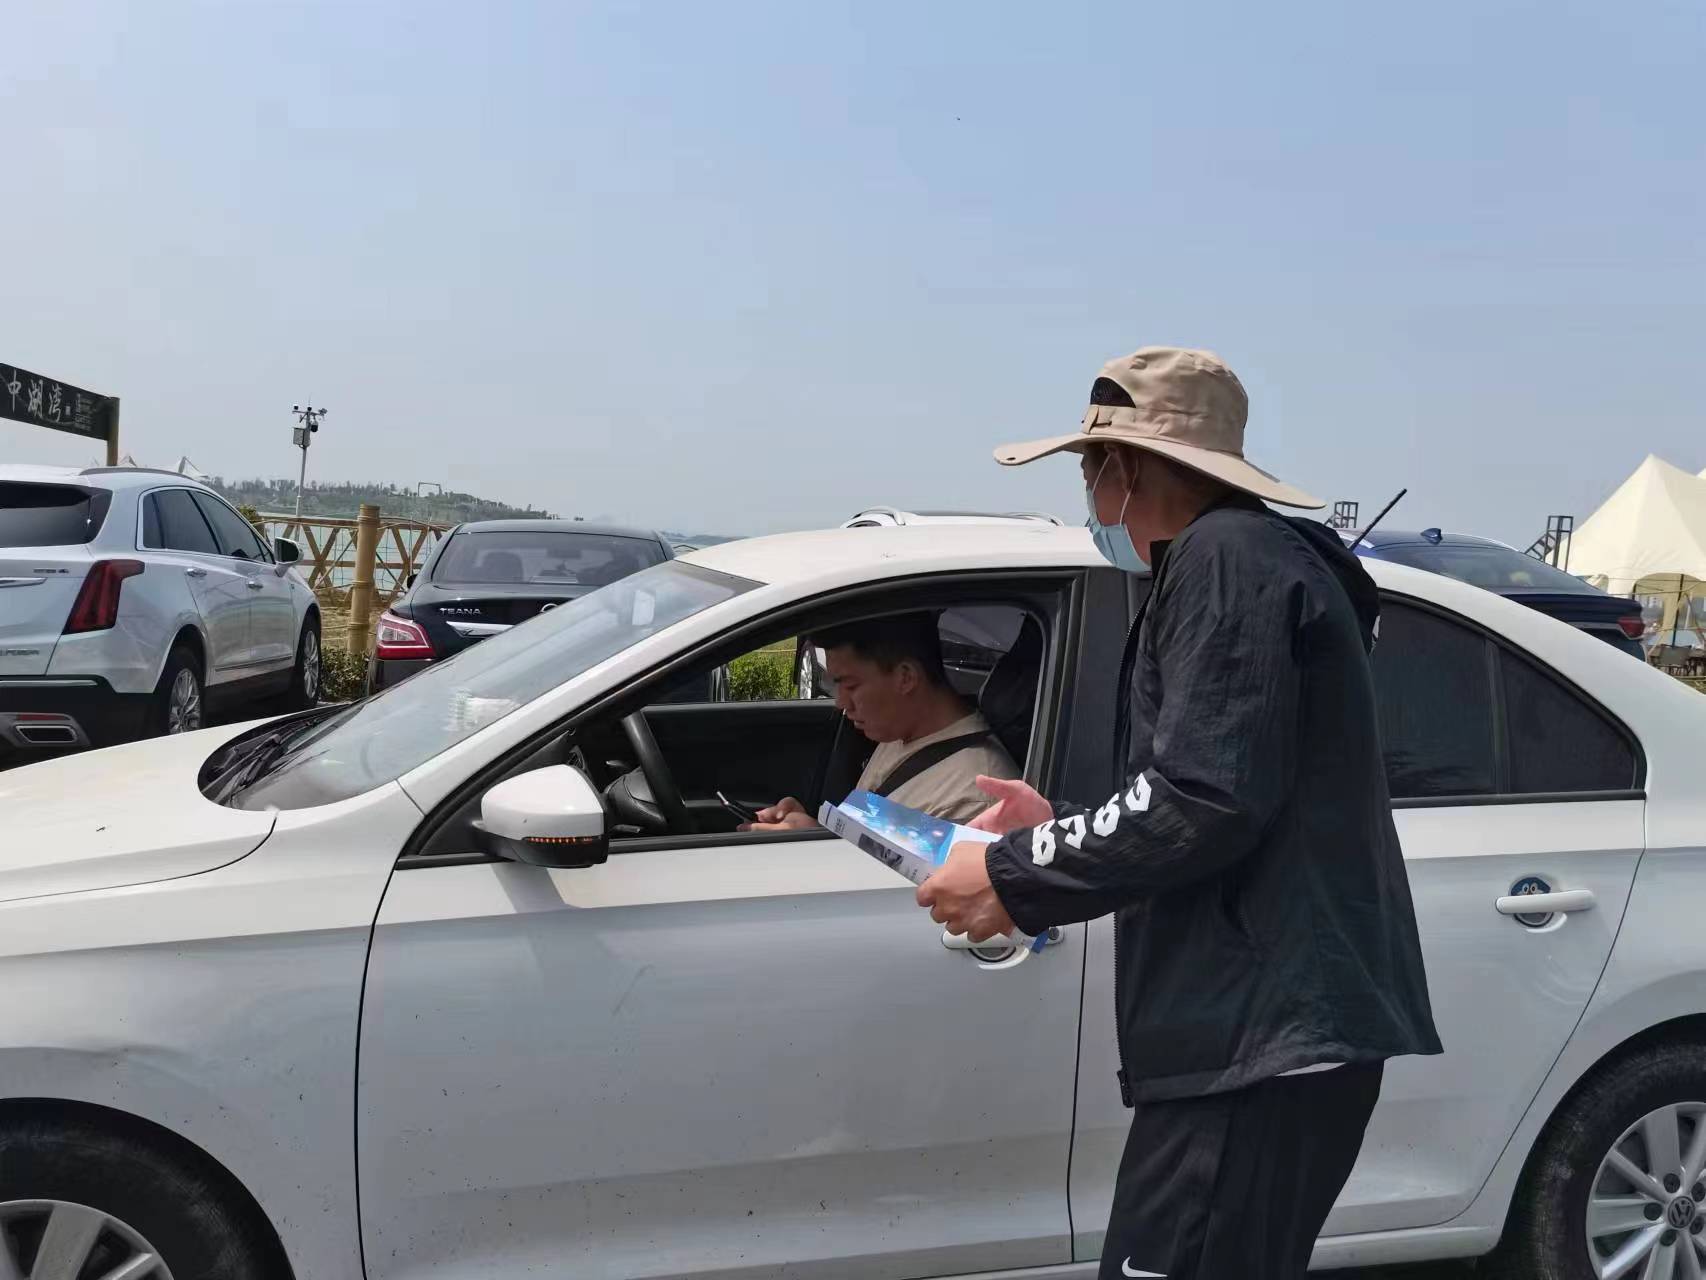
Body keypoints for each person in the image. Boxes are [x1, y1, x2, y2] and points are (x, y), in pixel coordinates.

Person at [917, 346, 1442, 1279]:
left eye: (1089, 466)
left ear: (1127, 466)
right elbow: (1219, 782)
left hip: (1258, 1039)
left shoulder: (1224, 561)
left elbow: (1204, 796)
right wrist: (1056, 821)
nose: (1087, 493)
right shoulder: (1253, 558)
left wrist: (1011, 874)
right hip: (1262, 1037)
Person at [746, 613, 1019, 829]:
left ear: (905, 677)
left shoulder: (974, 799)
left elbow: (913, 887)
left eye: (850, 686)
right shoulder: (901, 731)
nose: (841, 703)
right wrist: (811, 832)